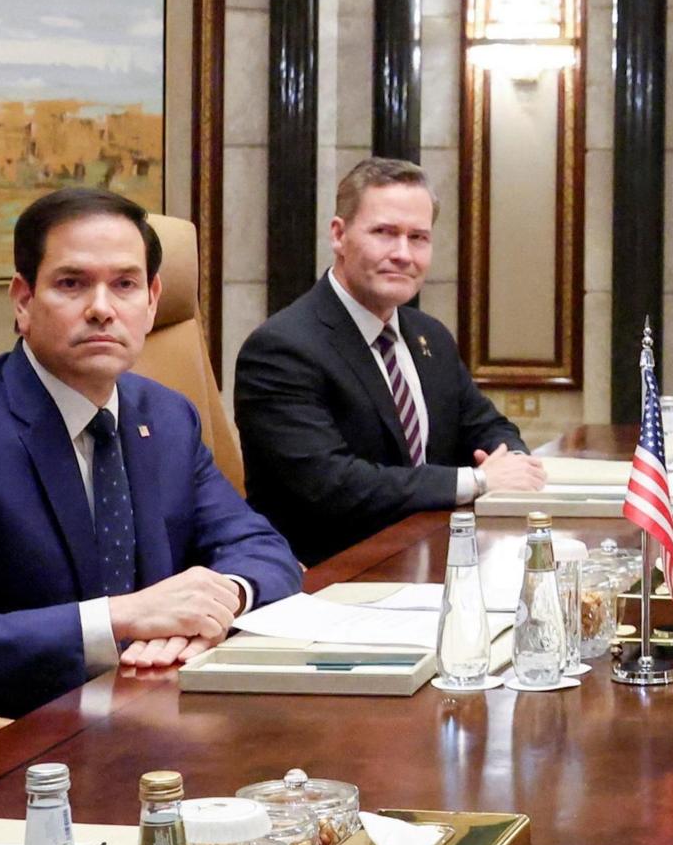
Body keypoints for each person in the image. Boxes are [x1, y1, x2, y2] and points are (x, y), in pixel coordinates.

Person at [0, 188, 301, 718]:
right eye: (72, 284)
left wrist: (218, 603)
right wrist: (119, 620)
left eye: (125, 285)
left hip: (138, 711)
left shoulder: (167, 417)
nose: (102, 309)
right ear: (22, 300)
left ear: (152, 302)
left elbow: (264, 549)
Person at [232, 158, 545, 565]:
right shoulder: (281, 349)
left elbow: (487, 426)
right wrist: (479, 480)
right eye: (384, 233)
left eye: (418, 238)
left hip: (434, 560)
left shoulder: (429, 335)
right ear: (339, 235)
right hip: (329, 580)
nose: (403, 254)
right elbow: (333, 486)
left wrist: (515, 463)